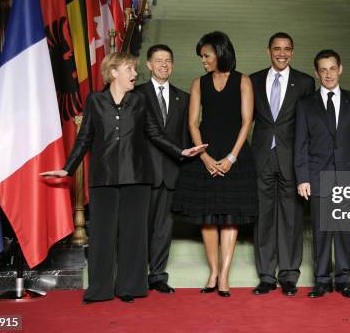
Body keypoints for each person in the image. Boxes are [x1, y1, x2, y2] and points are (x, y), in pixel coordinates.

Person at [40, 52, 205, 304]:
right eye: (130, 69)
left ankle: (130, 287)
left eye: (135, 70)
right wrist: (68, 168)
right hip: (103, 178)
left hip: (136, 178)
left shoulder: (139, 100)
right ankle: (99, 290)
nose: (135, 74)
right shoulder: (95, 100)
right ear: (114, 72)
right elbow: (84, 137)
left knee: (133, 235)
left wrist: (181, 151)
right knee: (103, 236)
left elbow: (154, 134)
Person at [172, 31, 258, 297]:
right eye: (202, 56)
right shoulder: (199, 83)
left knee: (230, 218)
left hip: (236, 155)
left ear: (220, 53)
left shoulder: (243, 81)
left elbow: (247, 122)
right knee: (208, 219)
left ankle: (225, 276)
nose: (203, 60)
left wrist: (232, 157)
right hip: (205, 155)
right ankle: (213, 272)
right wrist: (204, 156)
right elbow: (192, 123)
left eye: (206, 55)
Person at [295, 49, 350, 299]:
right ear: (317, 73)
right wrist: (303, 177)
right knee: (321, 230)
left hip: (347, 175)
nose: (328, 74)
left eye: (332, 68)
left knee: (344, 229)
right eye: (323, 70)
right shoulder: (306, 105)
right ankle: (322, 279)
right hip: (317, 175)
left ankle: (345, 279)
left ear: (340, 69)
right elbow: (301, 143)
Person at [250, 32, 315, 296]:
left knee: (291, 219)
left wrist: (306, 167)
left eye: (287, 49)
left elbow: (309, 127)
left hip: (292, 160)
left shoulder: (305, 83)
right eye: (277, 48)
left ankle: (289, 275)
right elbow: (246, 120)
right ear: (268, 51)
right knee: (263, 217)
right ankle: (266, 275)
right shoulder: (252, 80)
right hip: (261, 158)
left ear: (293, 52)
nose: (282, 53)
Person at [134, 44, 190, 294]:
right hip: (143, 172)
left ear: (173, 65)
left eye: (168, 60)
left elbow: (185, 137)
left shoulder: (184, 97)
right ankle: (135, 275)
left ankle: (157, 275)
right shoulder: (136, 94)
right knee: (139, 226)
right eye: (158, 60)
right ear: (148, 65)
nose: (164, 65)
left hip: (170, 174)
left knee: (163, 229)